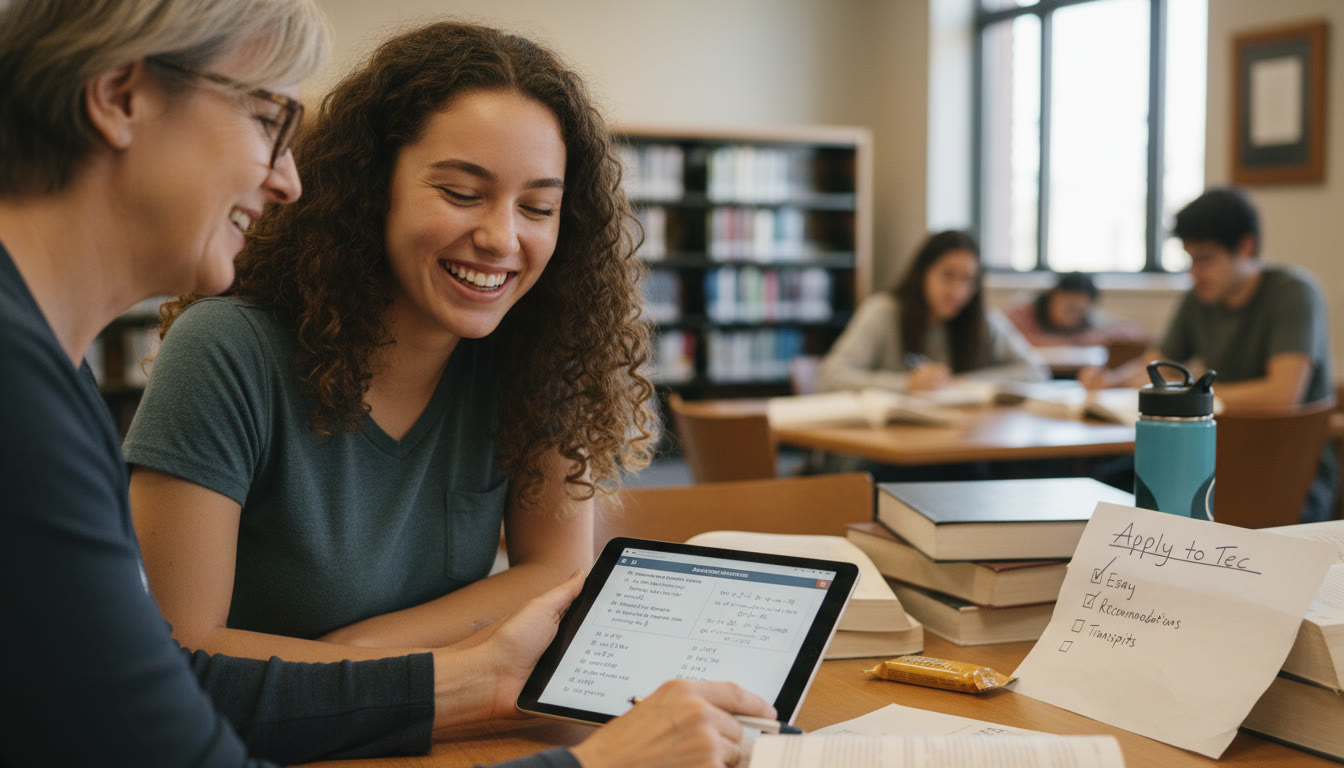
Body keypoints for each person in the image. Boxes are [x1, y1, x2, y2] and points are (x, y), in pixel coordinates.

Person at [0, 4, 769, 766]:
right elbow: (177, 683)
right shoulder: (47, 389)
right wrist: (590, 763)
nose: (285, 179)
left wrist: (387, 661)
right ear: (120, 97)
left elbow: (557, 575)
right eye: (266, 118)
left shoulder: (46, 378)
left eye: (538, 206)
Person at [123, 20, 661, 662]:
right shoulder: (225, 351)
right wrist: (439, 672)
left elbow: (556, 575)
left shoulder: (535, 352)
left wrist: (367, 647)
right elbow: (177, 651)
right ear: (370, 187)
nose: (502, 238)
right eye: (462, 193)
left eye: (538, 208)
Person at [1078, 187, 1337, 521]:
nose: (1194, 272)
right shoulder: (1200, 297)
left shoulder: (1293, 293)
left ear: (1246, 247)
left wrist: (1191, 399)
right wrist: (1109, 381)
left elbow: (1283, 394)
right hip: (1214, 457)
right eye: (1189, 259)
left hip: (1287, 472)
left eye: (1205, 259)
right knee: (1099, 489)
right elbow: (1155, 365)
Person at [817, 229, 1048, 394]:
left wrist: (962, 383)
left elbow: (1035, 371)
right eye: (948, 276)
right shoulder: (883, 311)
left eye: (968, 280)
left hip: (960, 442)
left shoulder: (983, 320)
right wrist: (906, 384)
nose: (958, 291)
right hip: (888, 446)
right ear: (923, 273)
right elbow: (831, 377)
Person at [1006, 271, 1147, 347]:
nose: (1073, 317)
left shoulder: (1087, 320)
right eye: (1070, 308)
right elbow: (1014, 343)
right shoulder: (1024, 312)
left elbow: (1133, 332)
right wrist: (1074, 341)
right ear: (1055, 296)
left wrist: (1098, 337)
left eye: (1081, 312)